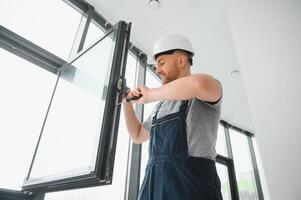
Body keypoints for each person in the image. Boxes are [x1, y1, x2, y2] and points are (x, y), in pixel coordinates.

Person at [122, 34, 223, 200]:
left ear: (181, 61)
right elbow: (138, 135)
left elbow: (197, 84)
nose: (157, 69)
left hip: (191, 188)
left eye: (161, 62)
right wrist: (126, 104)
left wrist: (150, 95)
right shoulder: (160, 106)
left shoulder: (204, 92)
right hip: (153, 187)